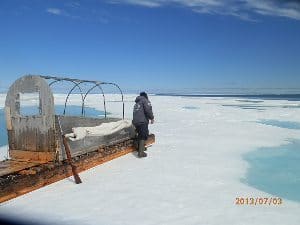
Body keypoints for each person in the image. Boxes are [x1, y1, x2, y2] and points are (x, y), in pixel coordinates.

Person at [132, 92, 154, 157]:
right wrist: (152, 118)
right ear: (145, 96)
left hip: (135, 121)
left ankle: (140, 148)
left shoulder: (137, 103)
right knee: (143, 135)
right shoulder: (145, 101)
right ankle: (140, 153)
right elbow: (148, 110)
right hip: (142, 121)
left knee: (140, 134)